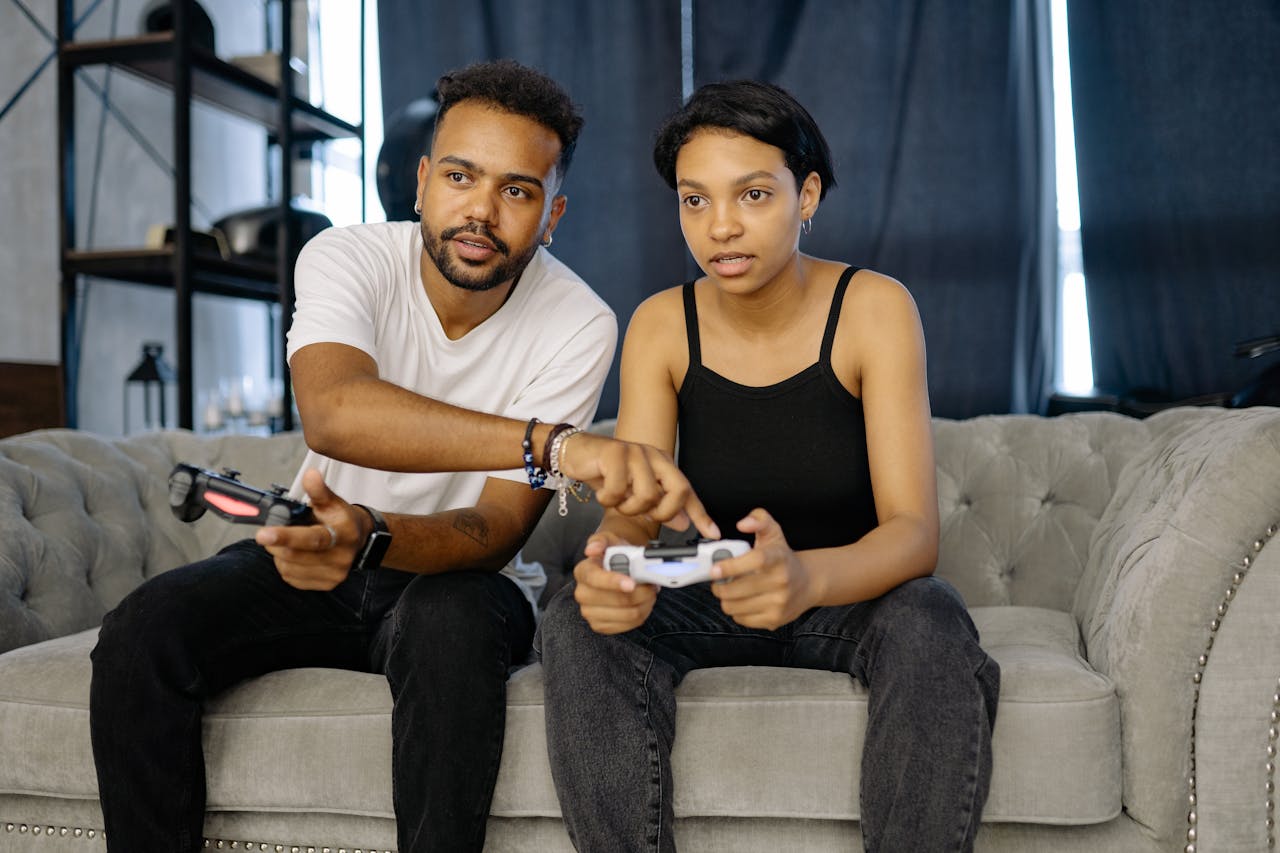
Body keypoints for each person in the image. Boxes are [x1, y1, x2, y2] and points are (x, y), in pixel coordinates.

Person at [89, 59, 713, 853]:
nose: (480, 211)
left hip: (465, 579)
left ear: (552, 215)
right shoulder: (345, 258)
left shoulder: (580, 321)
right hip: (324, 554)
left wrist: (377, 533)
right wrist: (551, 445)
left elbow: (493, 528)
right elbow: (336, 412)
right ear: (421, 182)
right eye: (460, 176)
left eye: (517, 191)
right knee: (143, 628)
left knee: (446, 622)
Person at [538, 80, 1001, 852]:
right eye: (694, 201)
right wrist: (615, 565)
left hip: (845, 594)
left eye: (753, 194)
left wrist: (806, 580)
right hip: (708, 590)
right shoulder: (661, 324)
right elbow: (639, 512)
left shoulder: (875, 307)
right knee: (571, 620)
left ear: (807, 192)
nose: (720, 227)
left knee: (933, 614)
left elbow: (914, 535)